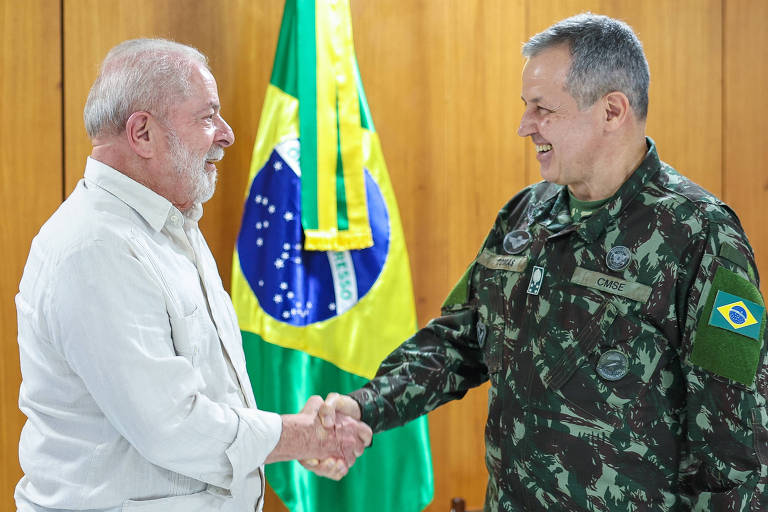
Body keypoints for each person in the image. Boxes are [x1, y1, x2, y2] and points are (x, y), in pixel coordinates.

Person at [313, 13, 768, 511]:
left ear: (612, 111)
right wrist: (364, 407)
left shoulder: (700, 233)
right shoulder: (524, 215)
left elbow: (736, 447)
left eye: (542, 109)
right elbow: (461, 338)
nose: (524, 126)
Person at [15, 38, 371, 512]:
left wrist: (290, 439)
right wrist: (298, 437)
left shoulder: (169, 221)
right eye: (207, 117)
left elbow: (210, 393)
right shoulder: (96, 247)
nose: (226, 133)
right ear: (142, 133)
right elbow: (172, 426)